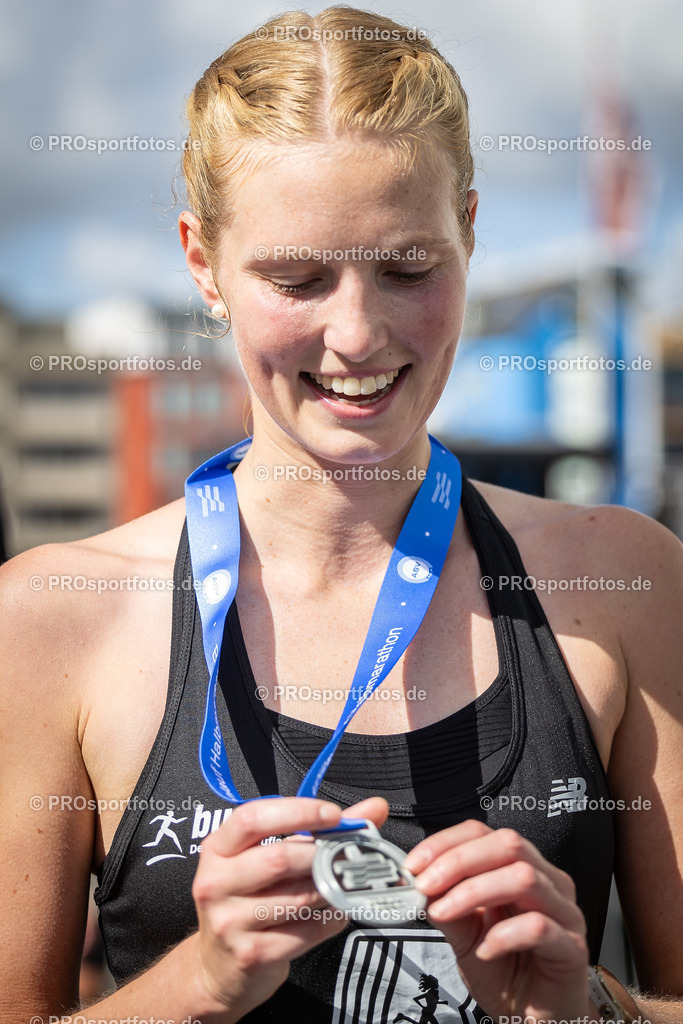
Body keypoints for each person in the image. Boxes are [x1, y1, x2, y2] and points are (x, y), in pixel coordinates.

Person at [1, 7, 682, 1024]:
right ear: (201, 263)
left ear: (467, 229)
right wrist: (198, 984)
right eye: (296, 278)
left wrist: (585, 1005)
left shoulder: (618, 584)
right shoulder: (57, 616)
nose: (356, 334)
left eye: (407, 268)